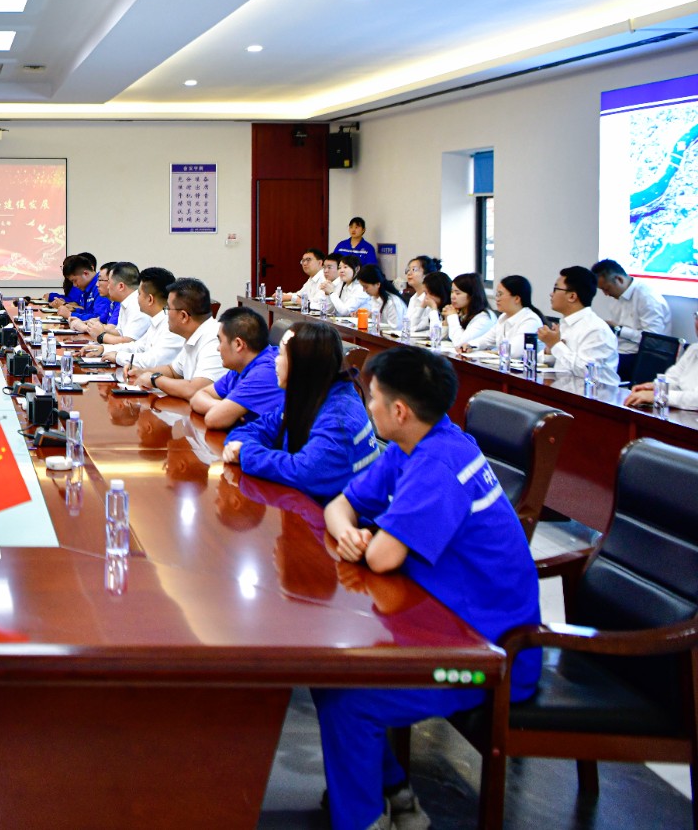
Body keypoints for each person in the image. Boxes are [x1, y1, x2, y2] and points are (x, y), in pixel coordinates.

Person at [317, 346, 540, 830]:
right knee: (330, 672)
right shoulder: (414, 444)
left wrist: (364, 539)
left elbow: (383, 557)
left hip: (489, 655)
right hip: (439, 624)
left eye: (371, 397)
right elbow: (340, 505)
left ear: (399, 410)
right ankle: (393, 796)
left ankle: (364, 819)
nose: (367, 405)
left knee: (349, 699)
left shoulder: (440, 463)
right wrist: (350, 532)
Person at [222, 321, 379, 499]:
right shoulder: (306, 394)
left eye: (281, 354)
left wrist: (246, 453)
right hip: (310, 504)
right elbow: (254, 430)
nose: (275, 360)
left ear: (303, 364)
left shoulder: (340, 417)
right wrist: (241, 447)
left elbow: (305, 473)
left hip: (343, 514)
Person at [190, 306, 283, 429]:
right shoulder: (242, 366)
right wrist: (220, 406)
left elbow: (213, 419)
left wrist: (223, 410)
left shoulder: (265, 372)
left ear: (238, 344)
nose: (218, 348)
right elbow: (198, 397)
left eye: (220, 341)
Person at [131, 278, 225, 399]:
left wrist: (154, 380)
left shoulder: (215, 339)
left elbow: (196, 390)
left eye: (168, 308)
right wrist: (142, 372)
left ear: (184, 316)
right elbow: (173, 371)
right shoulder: (193, 335)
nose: (166, 314)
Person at [538, 265, 618, 388]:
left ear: (572, 296)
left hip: (595, 395)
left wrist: (555, 345)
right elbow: (549, 363)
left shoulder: (595, 329)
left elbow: (588, 372)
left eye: (555, 289)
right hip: (564, 389)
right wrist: (549, 350)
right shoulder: (565, 324)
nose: (551, 294)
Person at [593, 258, 671, 380]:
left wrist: (619, 330)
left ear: (619, 279)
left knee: (600, 374)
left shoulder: (647, 298)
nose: (606, 294)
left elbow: (653, 341)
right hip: (621, 351)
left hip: (642, 357)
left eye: (606, 289)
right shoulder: (616, 298)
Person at [86, 267, 180, 368]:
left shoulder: (172, 326)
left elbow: (154, 361)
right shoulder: (158, 320)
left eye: (139, 294)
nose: (136, 298)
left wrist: (118, 356)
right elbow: (138, 346)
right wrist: (104, 349)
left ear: (150, 299)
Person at [628, 309, 698, 408]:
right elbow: (673, 378)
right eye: (697, 316)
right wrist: (655, 387)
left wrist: (659, 396)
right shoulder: (694, 349)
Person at [463, 275, 542, 353]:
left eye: (500, 294)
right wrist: (470, 345)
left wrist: (493, 352)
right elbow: (486, 339)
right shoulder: (503, 317)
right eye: (497, 294)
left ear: (517, 299)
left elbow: (515, 351)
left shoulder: (530, 320)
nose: (497, 299)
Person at [80, 262, 148, 342]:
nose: (108, 287)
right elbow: (119, 332)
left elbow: (129, 342)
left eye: (109, 283)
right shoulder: (126, 302)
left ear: (121, 286)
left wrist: (101, 335)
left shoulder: (137, 304)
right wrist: (95, 328)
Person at [442, 272, 496, 348]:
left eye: (458, 293)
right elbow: (439, 338)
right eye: (452, 292)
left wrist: (452, 317)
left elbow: (459, 343)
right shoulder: (462, 312)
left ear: (472, 295)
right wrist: (446, 321)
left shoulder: (483, 318)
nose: (452, 297)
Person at [356, 265, 407, 332]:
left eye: (366, 287)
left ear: (378, 284)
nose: (364, 290)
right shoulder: (374, 298)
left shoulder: (392, 302)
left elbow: (395, 329)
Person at [402, 255, 442, 335]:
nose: (409, 273)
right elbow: (408, 326)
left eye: (414, 269)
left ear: (427, 275)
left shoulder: (432, 298)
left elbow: (434, 332)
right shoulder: (413, 298)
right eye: (408, 270)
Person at [70, 261, 118, 326]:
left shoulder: (120, 303)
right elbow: (99, 319)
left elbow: (112, 328)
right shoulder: (112, 302)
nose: (97, 284)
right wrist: (82, 322)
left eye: (100, 280)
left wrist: (83, 327)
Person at [418, 271, 453, 336]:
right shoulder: (433, 308)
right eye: (425, 293)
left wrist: (434, 309)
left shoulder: (450, 309)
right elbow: (412, 327)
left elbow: (436, 335)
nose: (426, 297)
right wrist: (422, 307)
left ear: (440, 292)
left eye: (430, 293)